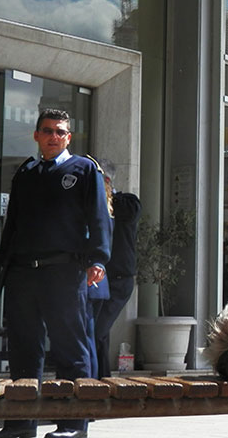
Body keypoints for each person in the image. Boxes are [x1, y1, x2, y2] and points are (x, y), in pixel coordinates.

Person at [0, 109, 112, 438]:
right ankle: (20, 425)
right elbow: (12, 221)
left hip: (64, 272)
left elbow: (99, 218)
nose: (53, 136)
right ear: (36, 135)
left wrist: (98, 259)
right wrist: (5, 263)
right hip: (23, 273)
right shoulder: (26, 172)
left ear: (68, 137)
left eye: (60, 131)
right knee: (24, 350)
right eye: (47, 131)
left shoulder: (84, 170)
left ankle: (74, 425)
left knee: (70, 350)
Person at [92, 160, 141, 378]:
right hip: (97, 277)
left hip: (118, 279)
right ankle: (100, 381)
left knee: (96, 331)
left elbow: (127, 212)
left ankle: (96, 381)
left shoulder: (127, 203)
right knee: (98, 333)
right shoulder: (91, 203)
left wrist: (105, 194)